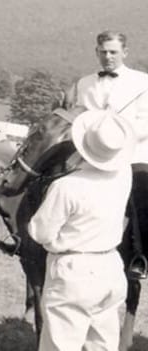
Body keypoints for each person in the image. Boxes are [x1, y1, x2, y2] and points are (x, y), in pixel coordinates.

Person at [29, 110, 135, 351]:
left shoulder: (66, 186)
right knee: (102, 344)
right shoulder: (124, 174)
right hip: (110, 265)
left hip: (74, 271)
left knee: (61, 344)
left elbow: (40, 233)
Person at [66, 30, 148, 279]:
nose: (108, 57)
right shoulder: (84, 83)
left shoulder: (142, 82)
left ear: (125, 52)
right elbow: (79, 117)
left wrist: (113, 138)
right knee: (55, 179)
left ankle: (139, 256)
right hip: (90, 152)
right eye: (103, 52)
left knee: (141, 195)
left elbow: (145, 123)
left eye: (113, 52)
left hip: (133, 152)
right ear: (96, 52)